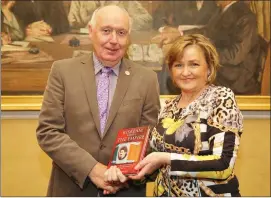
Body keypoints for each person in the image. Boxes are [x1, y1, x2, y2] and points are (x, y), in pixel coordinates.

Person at [36, 5, 160, 197]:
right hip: (71, 189)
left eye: (121, 33)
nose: (113, 40)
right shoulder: (63, 71)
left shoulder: (147, 79)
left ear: (128, 37)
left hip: (125, 190)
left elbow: (150, 139)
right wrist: (93, 169)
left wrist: (123, 175)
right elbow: (48, 132)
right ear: (91, 31)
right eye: (106, 31)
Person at [104, 34, 244, 196]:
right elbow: (156, 165)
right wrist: (124, 174)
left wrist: (166, 158)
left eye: (194, 64)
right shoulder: (168, 107)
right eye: (178, 65)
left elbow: (223, 165)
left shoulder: (220, 97)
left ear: (209, 68)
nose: (185, 72)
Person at [156, 0, 262, 95]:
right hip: (221, 70)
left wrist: (204, 54)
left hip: (233, 78)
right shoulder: (222, 10)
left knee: (173, 74)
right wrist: (180, 34)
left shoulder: (245, 16)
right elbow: (207, 32)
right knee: (172, 70)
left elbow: (235, 55)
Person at [68, 1, 152, 31]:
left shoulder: (127, 2)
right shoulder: (78, 1)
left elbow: (148, 20)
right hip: (87, 47)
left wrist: (123, 21)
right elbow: (71, 23)